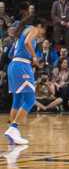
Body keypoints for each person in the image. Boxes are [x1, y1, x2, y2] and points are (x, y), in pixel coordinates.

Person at [4, 17, 45, 145]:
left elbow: (11, 55)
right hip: (22, 66)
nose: (42, 33)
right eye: (43, 30)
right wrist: (34, 57)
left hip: (13, 66)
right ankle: (13, 129)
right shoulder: (32, 29)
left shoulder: (19, 36)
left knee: (17, 101)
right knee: (30, 100)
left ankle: (13, 132)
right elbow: (27, 42)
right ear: (39, 26)